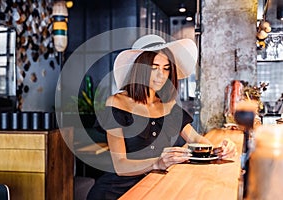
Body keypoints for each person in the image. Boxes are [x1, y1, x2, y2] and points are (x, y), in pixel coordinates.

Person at [87, 35, 237, 200]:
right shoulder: (116, 103)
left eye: (166, 68)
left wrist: (218, 150)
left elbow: (195, 138)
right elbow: (120, 165)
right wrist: (158, 162)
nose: (161, 75)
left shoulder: (168, 104)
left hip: (153, 186)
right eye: (154, 67)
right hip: (116, 192)